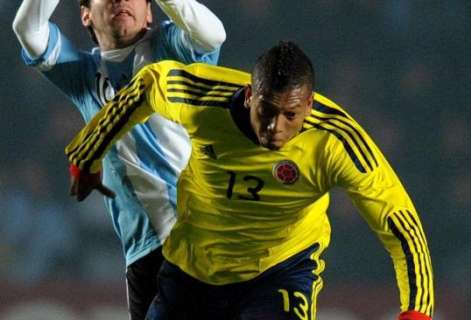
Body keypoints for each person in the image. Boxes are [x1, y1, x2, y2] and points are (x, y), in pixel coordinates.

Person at [65, 41, 434, 320]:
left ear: (308, 105)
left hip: (280, 271)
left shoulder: (337, 142)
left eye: (290, 114)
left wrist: (417, 311)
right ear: (248, 96)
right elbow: (145, 87)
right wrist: (86, 156)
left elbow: (400, 225)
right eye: (266, 111)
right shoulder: (202, 100)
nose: (276, 127)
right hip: (193, 268)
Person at [12, 0, 225, 318]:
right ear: (85, 14)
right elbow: (27, 29)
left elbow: (213, 34)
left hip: (197, 234)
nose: (121, 0)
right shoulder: (82, 75)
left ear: (151, 11)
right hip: (143, 256)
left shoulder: (170, 48)